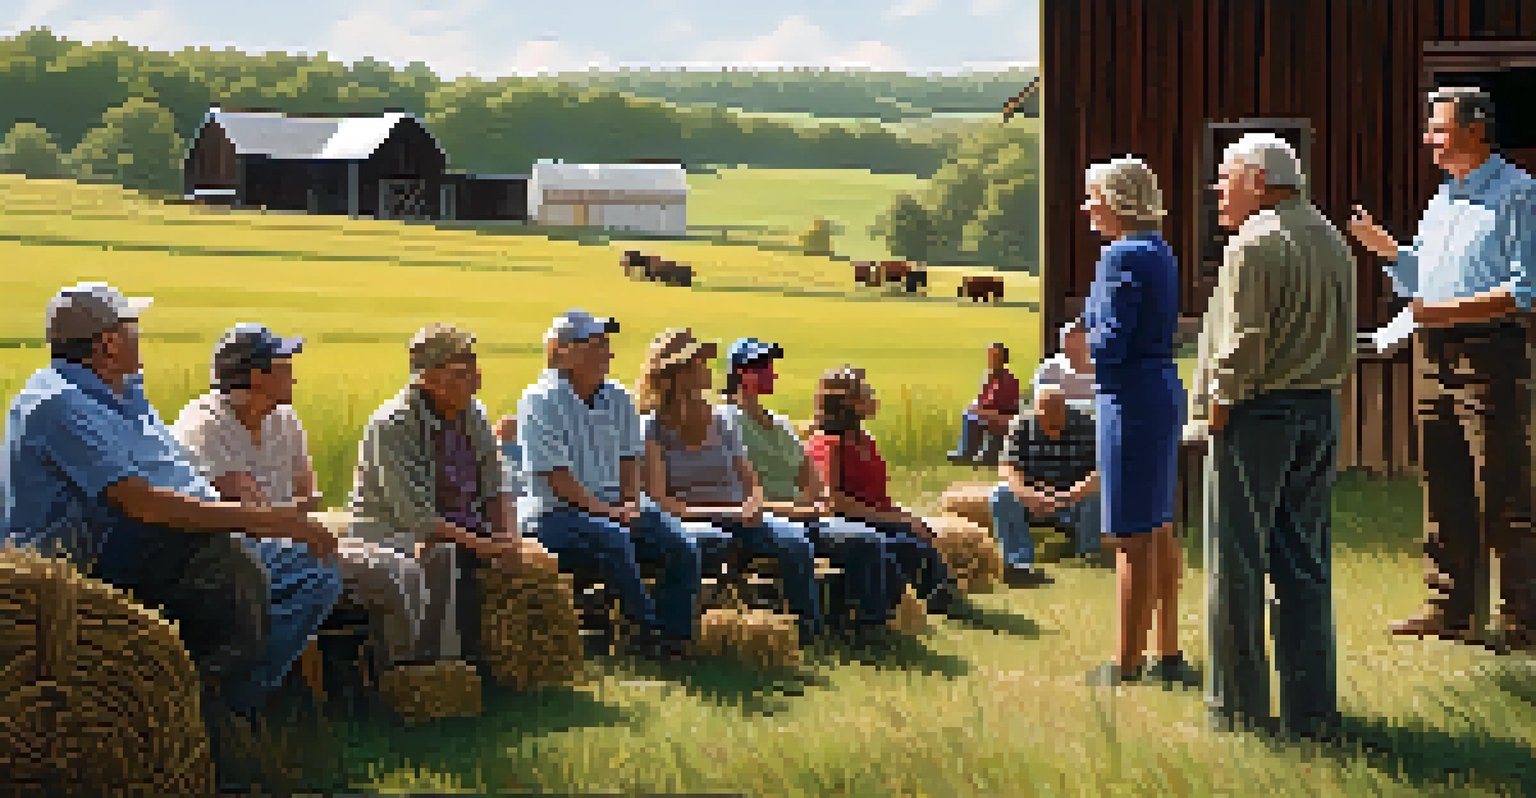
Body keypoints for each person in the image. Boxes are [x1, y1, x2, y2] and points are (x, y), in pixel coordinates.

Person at [0, 284, 342, 730]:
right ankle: (202, 722)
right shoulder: (56, 404)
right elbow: (138, 502)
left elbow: (176, 480)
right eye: (132, 326)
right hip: (96, 555)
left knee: (312, 567)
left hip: (167, 537)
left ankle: (217, 701)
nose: (140, 335)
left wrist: (254, 522)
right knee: (232, 568)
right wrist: (261, 520)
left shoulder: (125, 395)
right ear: (109, 342)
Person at [1350, 87, 1536, 651]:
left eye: (1438, 129)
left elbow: (1523, 291)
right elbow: (1422, 280)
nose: (1428, 139)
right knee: (1445, 483)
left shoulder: (1518, 195)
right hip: (1433, 353)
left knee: (1502, 488)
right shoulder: (1443, 200)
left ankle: (1523, 622)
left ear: (1475, 131)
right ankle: (1448, 609)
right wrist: (1390, 254)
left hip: (1489, 355)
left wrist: (1443, 311)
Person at [1192, 133, 1356, 738]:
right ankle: (1312, 711)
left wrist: (1218, 405)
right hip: (1321, 407)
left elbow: (1244, 341)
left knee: (1235, 562)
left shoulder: (1254, 243)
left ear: (1258, 182)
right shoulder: (1331, 238)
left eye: (1225, 177)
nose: (1217, 189)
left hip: (1257, 413)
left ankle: (1234, 711)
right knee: (1305, 561)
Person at [346, 324, 555, 667]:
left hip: (463, 527)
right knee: (442, 553)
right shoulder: (393, 425)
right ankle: (436, 666)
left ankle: (519, 666)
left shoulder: (473, 413)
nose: (474, 381)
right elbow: (418, 519)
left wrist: (508, 536)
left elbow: (495, 484)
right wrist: (486, 547)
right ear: (426, 380)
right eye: (461, 374)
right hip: (392, 532)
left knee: (538, 557)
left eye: (475, 371)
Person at [1065, 157, 1190, 689]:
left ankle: (1126, 664)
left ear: (1116, 201)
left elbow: (1111, 344)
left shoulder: (1119, 255)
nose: (1086, 206)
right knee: (1159, 525)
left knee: (1130, 536)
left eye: (1093, 196)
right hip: (1161, 392)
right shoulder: (1158, 251)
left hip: (1129, 400)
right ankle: (1167, 650)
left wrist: (1077, 348)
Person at [517, 310, 705, 659]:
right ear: (561, 351)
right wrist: (610, 512)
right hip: (555, 513)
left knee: (680, 541)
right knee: (614, 539)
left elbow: (630, 459)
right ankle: (645, 633)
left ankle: (678, 635)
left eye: (605, 345)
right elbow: (557, 479)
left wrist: (631, 502)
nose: (605, 353)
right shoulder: (540, 401)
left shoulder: (617, 396)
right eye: (593, 346)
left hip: (613, 506)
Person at [637, 328, 821, 646]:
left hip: (738, 513)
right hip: (691, 518)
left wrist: (753, 503)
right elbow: (661, 501)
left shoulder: (722, 420)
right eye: (700, 364)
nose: (709, 370)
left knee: (795, 541)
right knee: (711, 541)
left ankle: (806, 633)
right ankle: (677, 637)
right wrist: (730, 511)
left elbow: (748, 477)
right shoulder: (651, 427)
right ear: (679, 373)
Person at [720, 338, 894, 640]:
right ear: (743, 374)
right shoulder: (725, 422)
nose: (772, 373)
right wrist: (802, 509)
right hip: (767, 518)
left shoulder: (781, 424)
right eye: (764, 367)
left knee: (869, 540)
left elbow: (814, 481)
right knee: (809, 541)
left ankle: (870, 627)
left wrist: (816, 505)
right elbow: (739, 491)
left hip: (807, 515)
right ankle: (811, 632)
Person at [804, 366, 957, 616]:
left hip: (874, 517)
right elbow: (834, 502)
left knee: (919, 534)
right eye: (866, 393)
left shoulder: (865, 439)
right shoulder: (827, 443)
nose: (873, 398)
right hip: (848, 521)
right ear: (848, 403)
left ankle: (936, 594)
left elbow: (877, 497)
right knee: (905, 544)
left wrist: (906, 516)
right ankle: (897, 608)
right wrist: (897, 518)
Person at [989, 382, 1102, 589]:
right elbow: (1008, 469)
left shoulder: (1088, 426)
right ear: (1036, 412)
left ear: (1066, 410)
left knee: (1097, 495)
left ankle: (1090, 554)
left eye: (1057, 421)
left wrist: (1071, 494)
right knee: (1001, 494)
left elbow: (1102, 472)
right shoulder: (1021, 425)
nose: (1052, 430)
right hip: (1034, 500)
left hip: (1075, 500)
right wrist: (1029, 496)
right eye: (1046, 422)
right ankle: (1018, 562)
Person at [948, 343, 1021, 466]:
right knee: (971, 413)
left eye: (996, 356)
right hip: (994, 413)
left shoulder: (1008, 379)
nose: (992, 359)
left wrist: (982, 410)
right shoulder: (990, 377)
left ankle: (968, 452)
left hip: (1005, 415)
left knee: (973, 416)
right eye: (991, 355)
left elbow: (1001, 405)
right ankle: (969, 451)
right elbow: (984, 399)